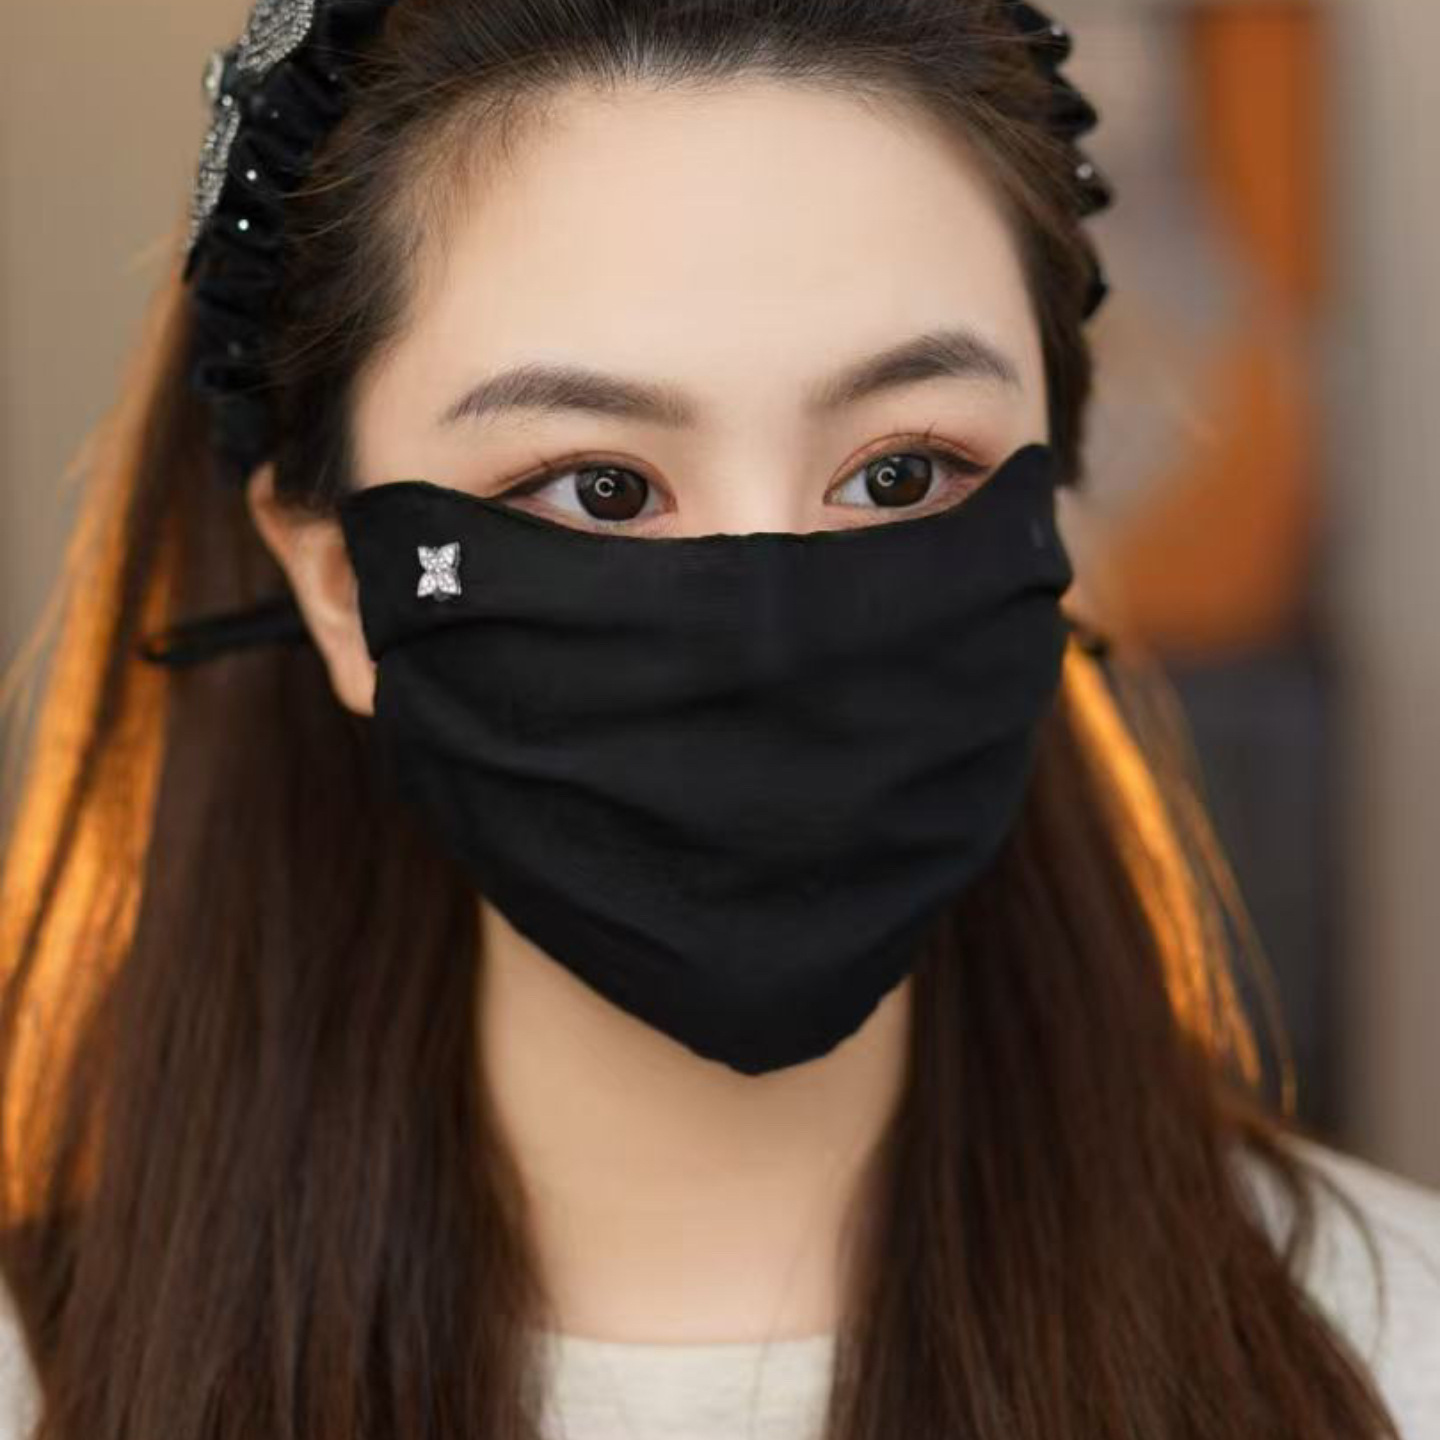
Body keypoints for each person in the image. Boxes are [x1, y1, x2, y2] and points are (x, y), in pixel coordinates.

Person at [0, 2, 1434, 1438]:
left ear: (1053, 506)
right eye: (601, 489)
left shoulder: (1397, 1351)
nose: (768, 636)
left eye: (899, 475)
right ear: (335, 587)